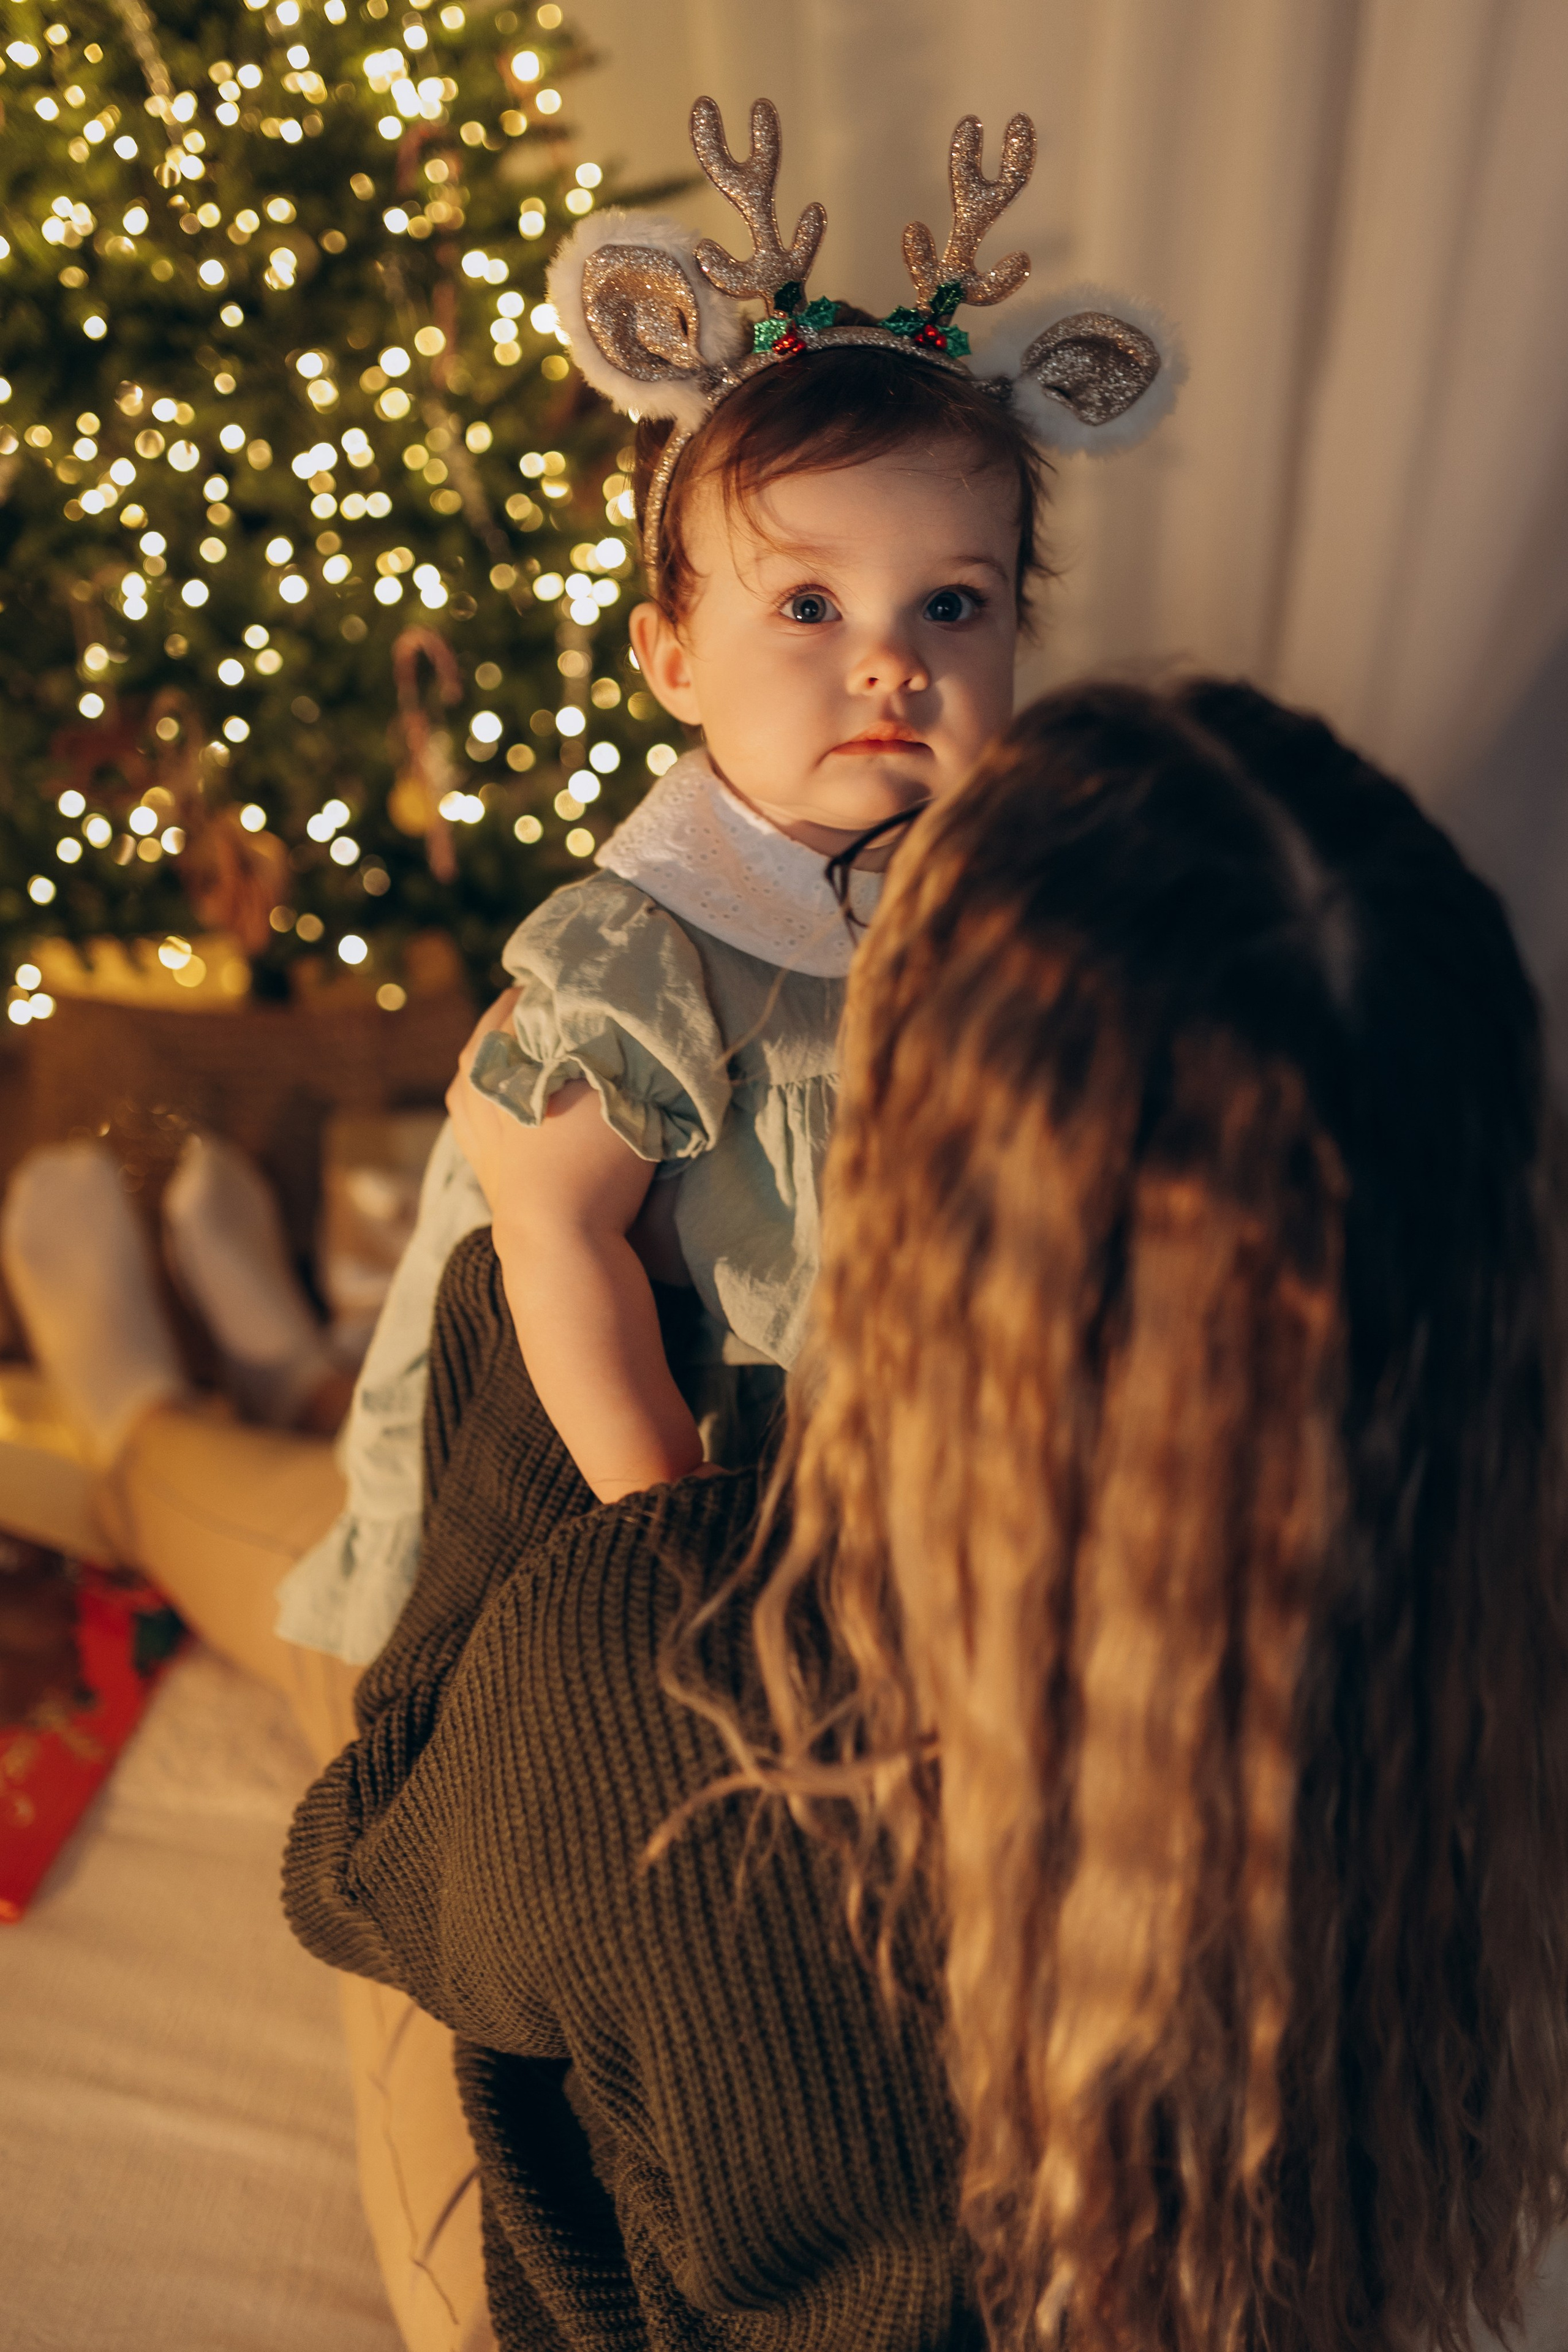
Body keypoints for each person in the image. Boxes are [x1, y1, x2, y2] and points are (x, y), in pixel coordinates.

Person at [284, 676, 1568, 2352]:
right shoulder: (1476, 1620)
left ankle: (145, 1397)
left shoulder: (666, 1676)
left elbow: (359, 1870)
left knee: (285, 1601)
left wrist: (539, 1272)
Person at [277, 93, 1182, 1667]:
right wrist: (666, 1550)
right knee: (325, 1647)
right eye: (811, 604)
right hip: (592, 1469)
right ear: (674, 658)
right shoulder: (646, 949)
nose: (893, 660)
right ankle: (153, 1389)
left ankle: (252, 1335)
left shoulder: (1007, 913)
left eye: (952, 608)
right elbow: (556, 1248)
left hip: (849, 1494)